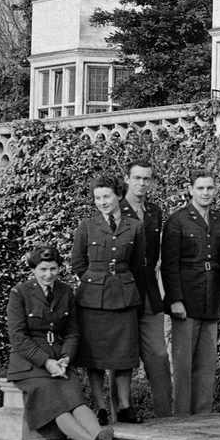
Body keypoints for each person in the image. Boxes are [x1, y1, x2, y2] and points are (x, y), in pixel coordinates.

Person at [7, 246, 116, 440]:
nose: (48, 275)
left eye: (53, 269)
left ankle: (100, 437)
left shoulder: (65, 292)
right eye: (43, 269)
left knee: (74, 397)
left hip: (60, 359)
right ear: (33, 270)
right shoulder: (19, 293)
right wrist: (46, 362)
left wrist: (66, 357)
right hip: (30, 364)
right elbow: (18, 337)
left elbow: (72, 332)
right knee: (56, 401)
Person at [70, 174, 150, 425]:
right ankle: (101, 407)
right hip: (93, 301)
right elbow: (78, 262)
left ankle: (125, 407)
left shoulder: (135, 226)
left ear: (118, 195)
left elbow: (138, 264)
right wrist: (97, 281)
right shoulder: (86, 226)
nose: (102, 202)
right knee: (94, 357)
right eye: (97, 198)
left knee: (124, 354)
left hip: (124, 297)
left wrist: (120, 283)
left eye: (106, 196)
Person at [162, 170, 220, 417]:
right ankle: (181, 417)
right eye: (200, 188)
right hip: (186, 301)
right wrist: (175, 300)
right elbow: (169, 265)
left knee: (207, 365)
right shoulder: (177, 221)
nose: (206, 193)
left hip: (211, 299)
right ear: (191, 190)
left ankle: (203, 415)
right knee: (183, 364)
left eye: (210, 188)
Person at [119, 158, 171, 418]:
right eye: (137, 178)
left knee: (159, 356)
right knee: (123, 357)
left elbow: (157, 257)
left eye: (146, 178)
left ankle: (165, 415)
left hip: (150, 294)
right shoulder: (115, 209)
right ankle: (121, 411)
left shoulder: (155, 212)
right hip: (124, 294)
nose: (141, 183)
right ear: (127, 179)